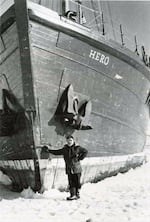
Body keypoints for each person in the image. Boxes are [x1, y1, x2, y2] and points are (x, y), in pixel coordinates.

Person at [42, 135, 88, 200]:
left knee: (77, 182)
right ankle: (72, 195)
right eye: (68, 140)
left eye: (70, 140)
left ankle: (77, 194)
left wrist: (80, 158)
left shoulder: (77, 148)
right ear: (66, 141)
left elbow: (85, 151)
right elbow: (57, 152)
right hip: (69, 169)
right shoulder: (65, 149)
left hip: (77, 169)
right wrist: (49, 151)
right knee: (71, 182)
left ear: (73, 141)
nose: (69, 142)